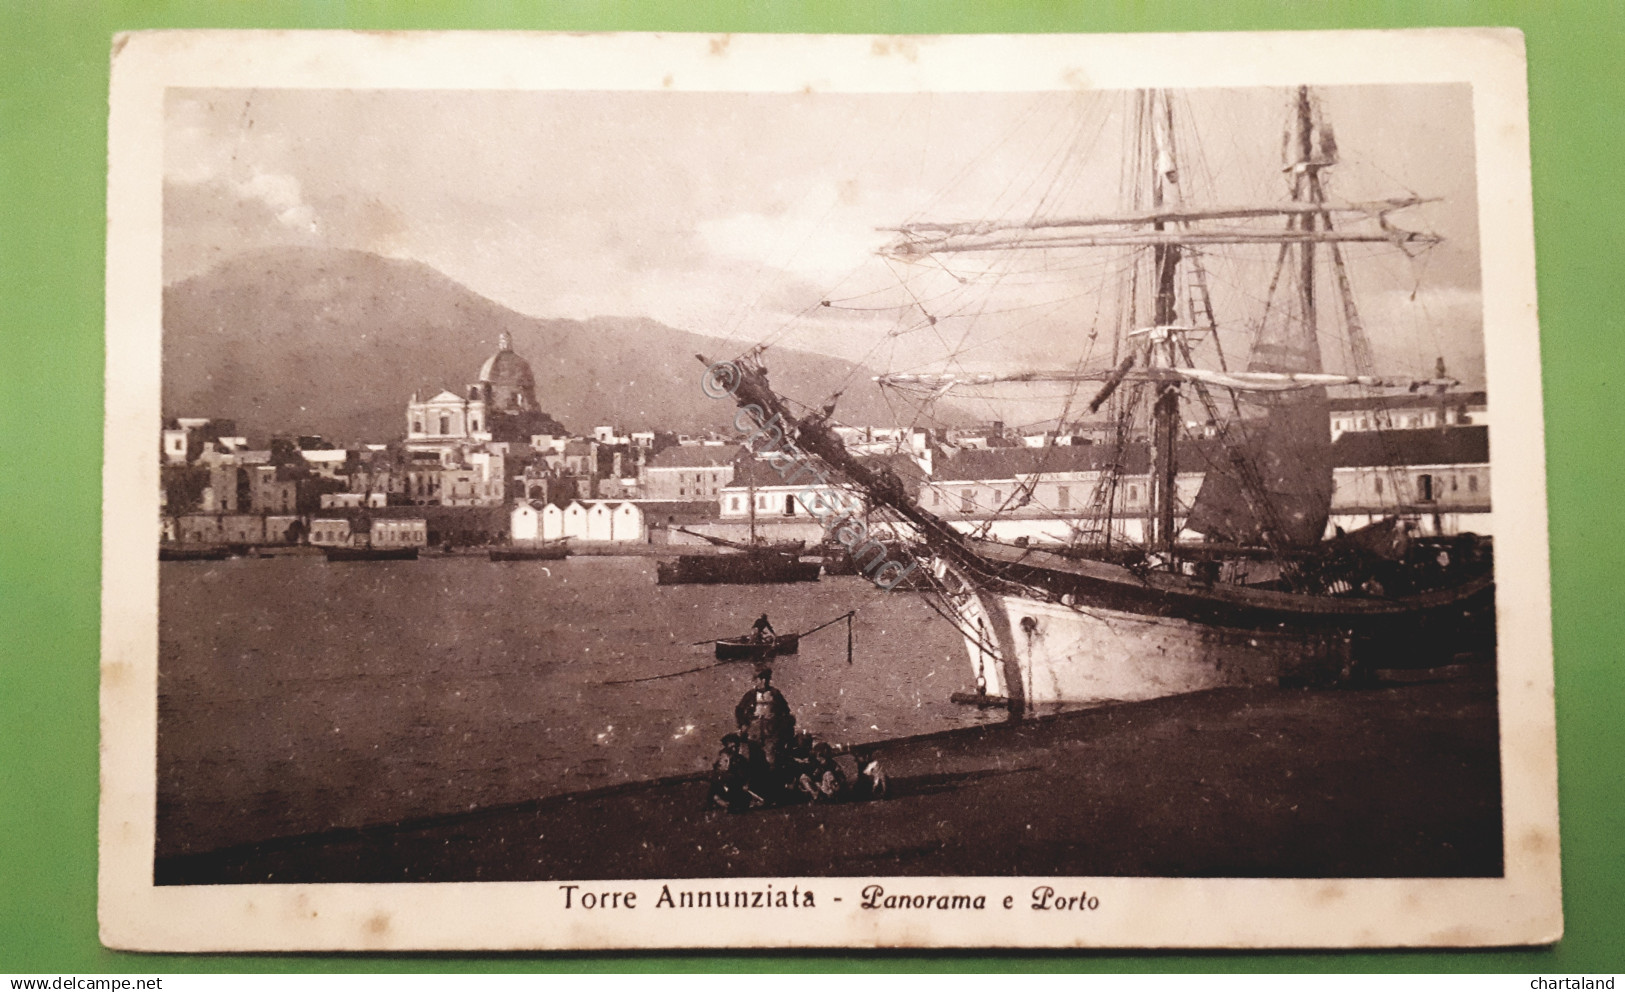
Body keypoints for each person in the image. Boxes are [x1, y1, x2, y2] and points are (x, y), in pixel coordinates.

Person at [734, 666, 795, 771]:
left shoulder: (775, 694)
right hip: (754, 729)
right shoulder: (750, 694)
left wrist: (778, 721)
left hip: (771, 730)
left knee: (771, 756)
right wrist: (743, 724)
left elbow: (786, 711)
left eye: (760, 679)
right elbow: (739, 710)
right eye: (757, 679)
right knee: (753, 755)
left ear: (765, 680)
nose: (759, 682)